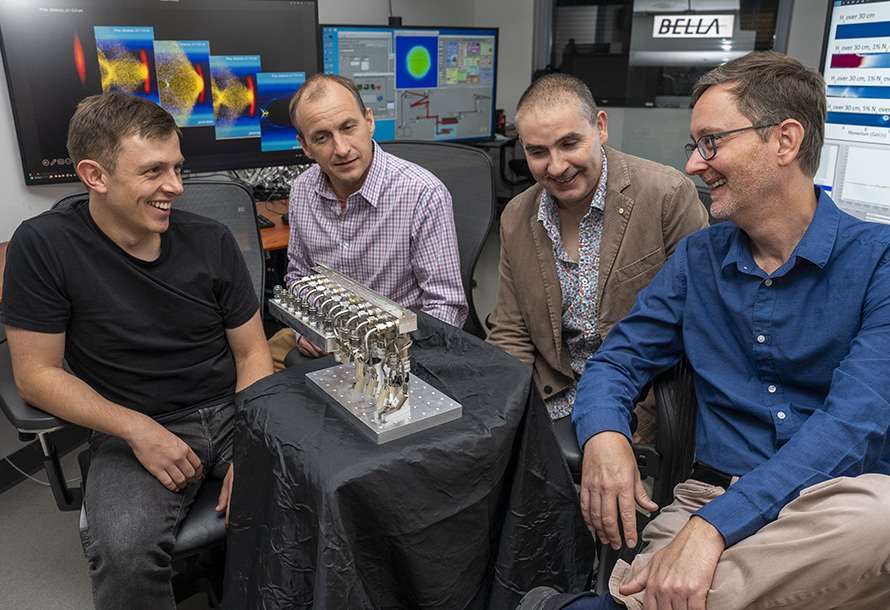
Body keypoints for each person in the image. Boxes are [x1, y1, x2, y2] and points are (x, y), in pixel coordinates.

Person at [521, 51, 890, 610]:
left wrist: (713, 530)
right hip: (706, 494)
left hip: (829, 511)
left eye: (711, 142)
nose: (694, 164)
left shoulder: (878, 262)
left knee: (880, 515)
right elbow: (618, 361)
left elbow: (852, 423)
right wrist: (603, 435)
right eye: (694, 146)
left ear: (785, 141)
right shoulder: (699, 259)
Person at [1, 91, 274, 609]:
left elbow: (252, 355)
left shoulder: (212, 239)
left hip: (235, 411)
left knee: (317, 499)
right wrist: (136, 428)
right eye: (153, 172)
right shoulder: (43, 246)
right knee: (125, 556)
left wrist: (256, 443)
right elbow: (36, 374)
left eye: (177, 168)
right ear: (95, 176)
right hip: (132, 424)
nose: (174, 186)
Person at [487, 73, 708, 434]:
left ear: (600, 128)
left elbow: (697, 326)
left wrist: (644, 426)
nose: (556, 167)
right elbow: (511, 330)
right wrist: (507, 413)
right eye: (538, 152)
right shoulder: (516, 215)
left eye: (569, 143)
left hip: (636, 399)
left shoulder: (666, 196)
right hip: (550, 392)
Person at [267, 73, 468, 369]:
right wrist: (304, 331)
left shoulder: (422, 193)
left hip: (398, 353)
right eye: (322, 137)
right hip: (327, 345)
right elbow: (299, 278)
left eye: (349, 128)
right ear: (306, 147)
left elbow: (445, 307)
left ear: (369, 122)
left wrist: (393, 359)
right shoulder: (302, 190)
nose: (342, 148)